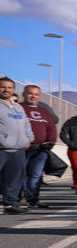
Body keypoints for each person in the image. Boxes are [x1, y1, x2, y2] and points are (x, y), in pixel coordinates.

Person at [20, 85, 58, 209]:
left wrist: (51, 142)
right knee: (20, 174)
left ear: (39, 96)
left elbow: (51, 128)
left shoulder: (44, 111)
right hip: (22, 148)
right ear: (24, 94)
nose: (33, 96)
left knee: (36, 175)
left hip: (41, 149)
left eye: (36, 94)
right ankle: (18, 199)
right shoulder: (18, 108)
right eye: (30, 93)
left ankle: (33, 200)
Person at [0, 77, 34, 214]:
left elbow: (26, 124)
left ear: (14, 90)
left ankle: (10, 204)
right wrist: (3, 140)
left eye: (9, 87)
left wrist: (28, 139)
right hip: (2, 148)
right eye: (2, 87)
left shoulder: (18, 107)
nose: (6, 90)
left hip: (18, 148)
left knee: (14, 178)